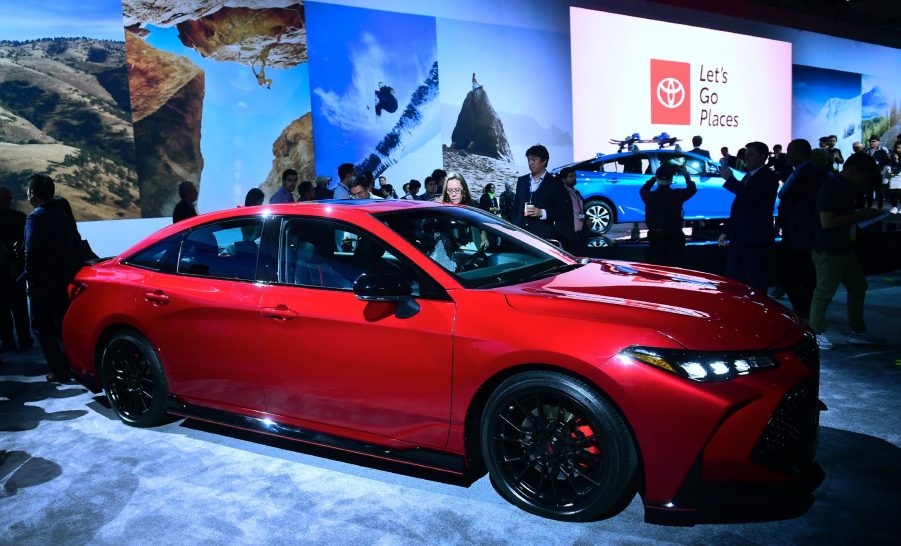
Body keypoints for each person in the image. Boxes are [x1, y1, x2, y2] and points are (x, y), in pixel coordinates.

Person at [809, 153, 886, 350]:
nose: (864, 182)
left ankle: (857, 331)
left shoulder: (843, 186)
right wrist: (859, 215)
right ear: (852, 170)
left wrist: (860, 215)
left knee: (858, 285)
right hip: (829, 248)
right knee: (824, 292)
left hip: (842, 247)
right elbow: (827, 222)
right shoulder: (832, 186)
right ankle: (816, 332)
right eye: (863, 176)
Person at [24, 174, 81, 382]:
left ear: (32, 193)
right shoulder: (62, 213)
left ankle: (58, 370)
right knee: (61, 325)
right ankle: (71, 365)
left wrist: (29, 279)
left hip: (42, 282)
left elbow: (30, 253)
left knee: (40, 326)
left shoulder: (35, 217)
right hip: (63, 278)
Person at [718, 141, 779, 293]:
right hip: (739, 239)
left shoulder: (769, 177)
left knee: (756, 284)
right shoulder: (748, 176)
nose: (746, 158)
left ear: (762, 156)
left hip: (755, 240)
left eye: (750, 154)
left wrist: (730, 180)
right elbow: (738, 206)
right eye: (746, 154)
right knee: (735, 283)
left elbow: (750, 199)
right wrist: (727, 230)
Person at [776, 139, 824, 321]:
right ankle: (802, 306)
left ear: (799, 153)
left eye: (790, 151)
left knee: (799, 270)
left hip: (800, 232)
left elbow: (801, 203)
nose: (787, 155)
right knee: (792, 269)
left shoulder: (809, 173)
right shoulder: (798, 171)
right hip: (793, 230)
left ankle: (803, 307)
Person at [639, 163, 696, 266]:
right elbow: (692, 189)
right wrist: (686, 175)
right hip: (675, 238)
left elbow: (643, 189)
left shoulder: (649, 196)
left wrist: (654, 179)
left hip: (655, 237)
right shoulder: (677, 195)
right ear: (671, 180)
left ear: (657, 179)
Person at [513, 144, 569, 241]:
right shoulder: (522, 181)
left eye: (534, 160)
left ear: (544, 161)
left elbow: (561, 210)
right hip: (519, 235)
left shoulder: (555, 183)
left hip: (543, 237)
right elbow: (516, 207)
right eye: (528, 159)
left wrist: (542, 212)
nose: (530, 163)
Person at [0, 186, 32, 353]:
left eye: (7, 199)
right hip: (13, 271)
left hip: (14, 271)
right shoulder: (21, 218)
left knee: (16, 308)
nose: (6, 202)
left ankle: (19, 339)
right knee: (8, 309)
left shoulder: (20, 219)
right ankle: (14, 340)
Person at [560, 168, 586, 252]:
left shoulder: (576, 192)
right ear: (563, 179)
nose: (574, 178)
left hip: (580, 233)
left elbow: (580, 209)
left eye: (575, 175)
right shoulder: (561, 193)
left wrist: (587, 219)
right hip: (568, 235)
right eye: (571, 176)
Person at [865, 135, 890, 209]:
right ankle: (869, 205)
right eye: (870, 141)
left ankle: (880, 206)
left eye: (873, 141)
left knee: (878, 189)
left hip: (879, 172)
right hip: (870, 173)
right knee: (869, 190)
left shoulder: (883, 149)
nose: (871, 143)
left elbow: (887, 160)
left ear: (878, 142)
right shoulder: (868, 150)